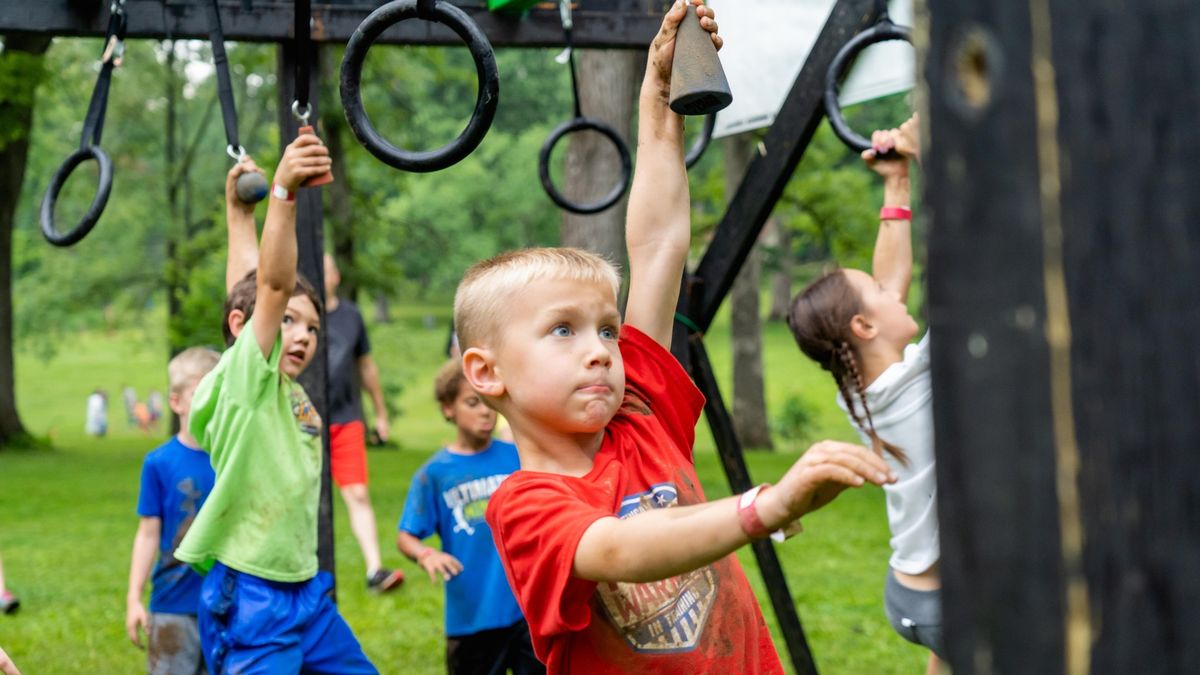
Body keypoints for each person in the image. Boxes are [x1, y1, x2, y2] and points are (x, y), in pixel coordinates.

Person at [455, 3, 896, 672]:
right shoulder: (525, 506)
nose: (601, 347)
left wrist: (659, 103)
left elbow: (658, 244)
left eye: (606, 326)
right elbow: (618, 549)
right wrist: (765, 505)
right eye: (563, 330)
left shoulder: (641, 415)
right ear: (487, 373)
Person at [173, 138, 377, 673]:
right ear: (246, 330)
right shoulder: (243, 382)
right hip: (253, 597)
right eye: (288, 321)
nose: (304, 335)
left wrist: (238, 214)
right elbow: (268, 284)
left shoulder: (285, 391)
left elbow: (246, 289)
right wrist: (284, 191)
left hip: (305, 590)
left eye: (312, 325)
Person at [785, 114, 944, 667]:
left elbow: (892, 280)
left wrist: (896, 183)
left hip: (912, 592)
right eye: (877, 294)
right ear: (864, 329)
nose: (893, 289)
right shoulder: (920, 382)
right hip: (947, 599)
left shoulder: (866, 388)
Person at [396, 360, 542, 675]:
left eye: (489, 401)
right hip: (471, 618)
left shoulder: (518, 456)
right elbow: (406, 535)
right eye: (472, 403)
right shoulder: (434, 474)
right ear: (448, 408)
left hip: (527, 614)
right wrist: (425, 553)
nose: (485, 411)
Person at [125, 347, 221, 675]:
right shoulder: (159, 463)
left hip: (226, 605)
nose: (213, 400)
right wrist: (134, 597)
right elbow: (148, 533)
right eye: (201, 392)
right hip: (172, 606)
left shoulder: (232, 460)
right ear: (176, 402)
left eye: (219, 391)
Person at [322, 254, 403, 594]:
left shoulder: (351, 316)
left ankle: (374, 570)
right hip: (302, 421)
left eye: (326, 267)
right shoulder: (294, 313)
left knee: (357, 492)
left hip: (346, 418)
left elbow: (366, 367)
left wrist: (380, 413)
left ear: (336, 276)